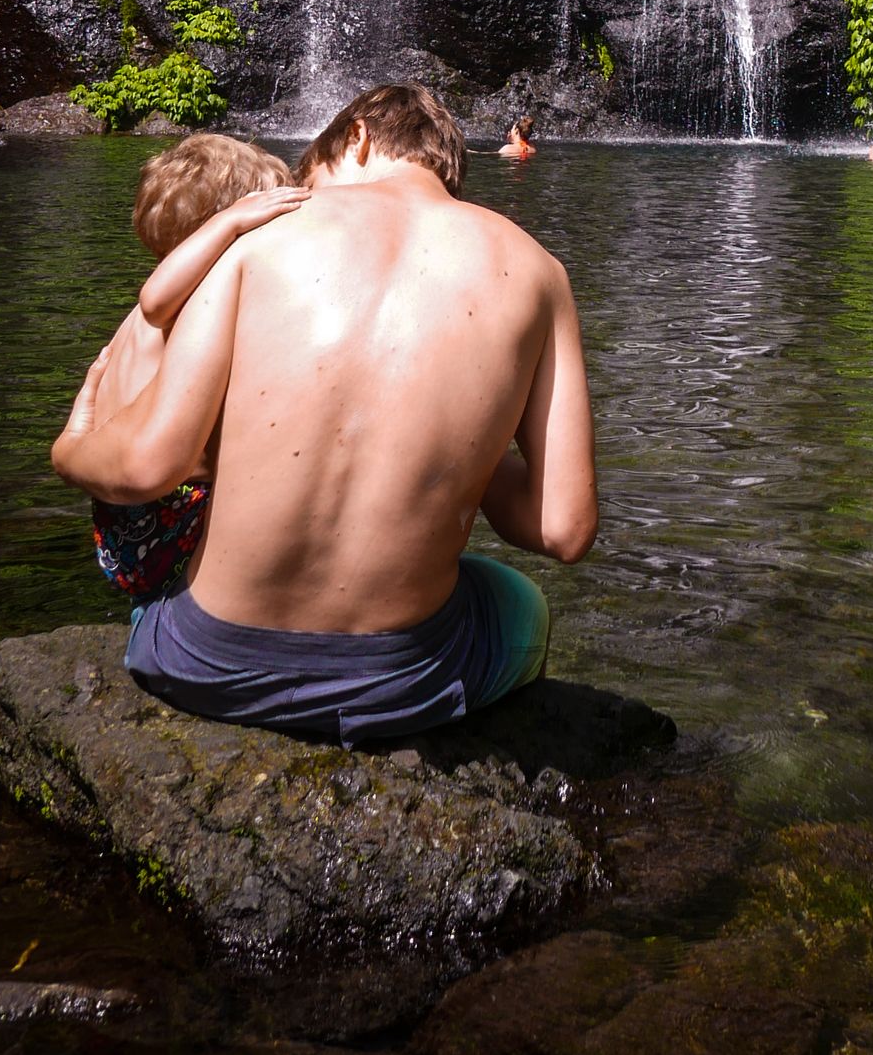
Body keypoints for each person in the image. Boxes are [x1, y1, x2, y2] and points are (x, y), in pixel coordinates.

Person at [51, 83, 598, 743]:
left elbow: (146, 466)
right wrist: (465, 448)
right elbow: (564, 528)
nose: (300, 193)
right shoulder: (540, 271)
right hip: (401, 681)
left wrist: (71, 444)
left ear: (358, 136)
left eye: (308, 177)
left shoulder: (256, 236)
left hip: (204, 663)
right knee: (523, 604)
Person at [62, 134, 306, 604]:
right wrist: (231, 223)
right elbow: (155, 299)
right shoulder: (175, 304)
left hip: (124, 526)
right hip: (173, 516)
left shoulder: (143, 320)